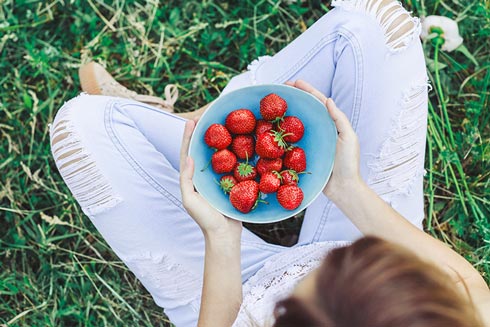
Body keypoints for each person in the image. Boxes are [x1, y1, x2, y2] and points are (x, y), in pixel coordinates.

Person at [49, 0, 490, 326]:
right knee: (373, 29)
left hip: (241, 294)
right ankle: (191, 122)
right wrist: (349, 188)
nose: (321, 265)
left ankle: (173, 126)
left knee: (78, 125)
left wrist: (222, 239)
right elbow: (471, 289)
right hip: (370, 229)